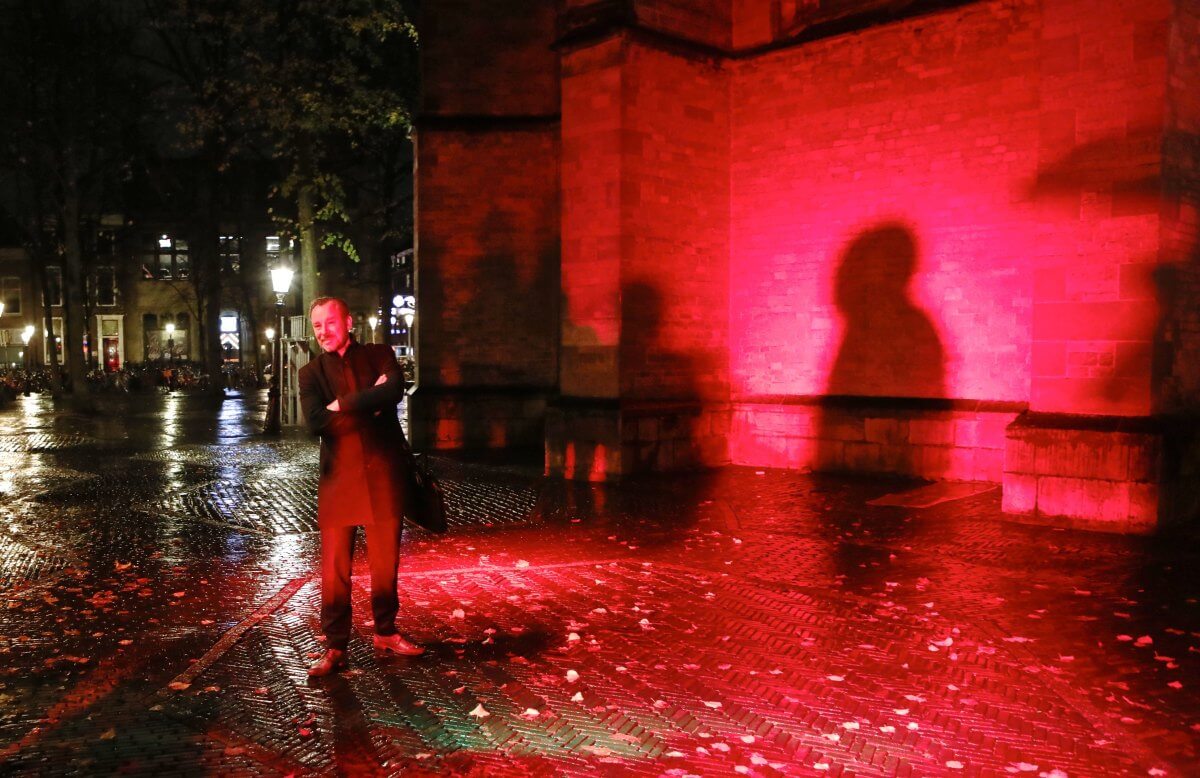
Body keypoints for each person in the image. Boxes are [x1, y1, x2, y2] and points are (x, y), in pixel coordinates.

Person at [298, 296, 424, 677]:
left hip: (383, 475)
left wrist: (343, 404)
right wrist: (369, 405)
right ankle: (335, 646)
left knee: (386, 562)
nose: (324, 331)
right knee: (335, 569)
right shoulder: (310, 373)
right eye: (317, 326)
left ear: (348, 322)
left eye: (330, 323)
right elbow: (316, 423)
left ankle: (385, 631)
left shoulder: (379, 353)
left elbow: (394, 390)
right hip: (338, 479)